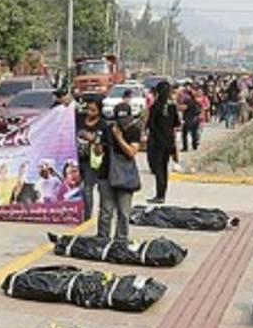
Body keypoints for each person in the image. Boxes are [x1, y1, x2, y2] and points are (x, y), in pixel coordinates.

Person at [98, 102, 141, 241]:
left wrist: (119, 136)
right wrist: (97, 145)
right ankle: (102, 237)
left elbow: (131, 152)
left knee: (123, 212)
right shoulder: (108, 129)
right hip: (106, 173)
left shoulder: (134, 130)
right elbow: (99, 151)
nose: (123, 124)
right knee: (106, 210)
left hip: (125, 176)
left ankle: (121, 238)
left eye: (126, 120)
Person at [145, 80, 180, 204]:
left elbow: (150, 125)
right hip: (169, 141)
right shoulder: (172, 106)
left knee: (158, 168)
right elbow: (177, 124)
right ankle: (162, 194)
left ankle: (159, 195)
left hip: (157, 142)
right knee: (164, 169)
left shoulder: (155, 107)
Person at [75, 96, 106, 222]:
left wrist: (94, 139)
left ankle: (87, 217)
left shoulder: (102, 125)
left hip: (91, 162)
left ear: (99, 110)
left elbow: (104, 145)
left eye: (93, 110)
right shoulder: (80, 120)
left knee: (87, 189)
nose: (90, 112)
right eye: (88, 109)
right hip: (76, 159)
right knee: (75, 188)